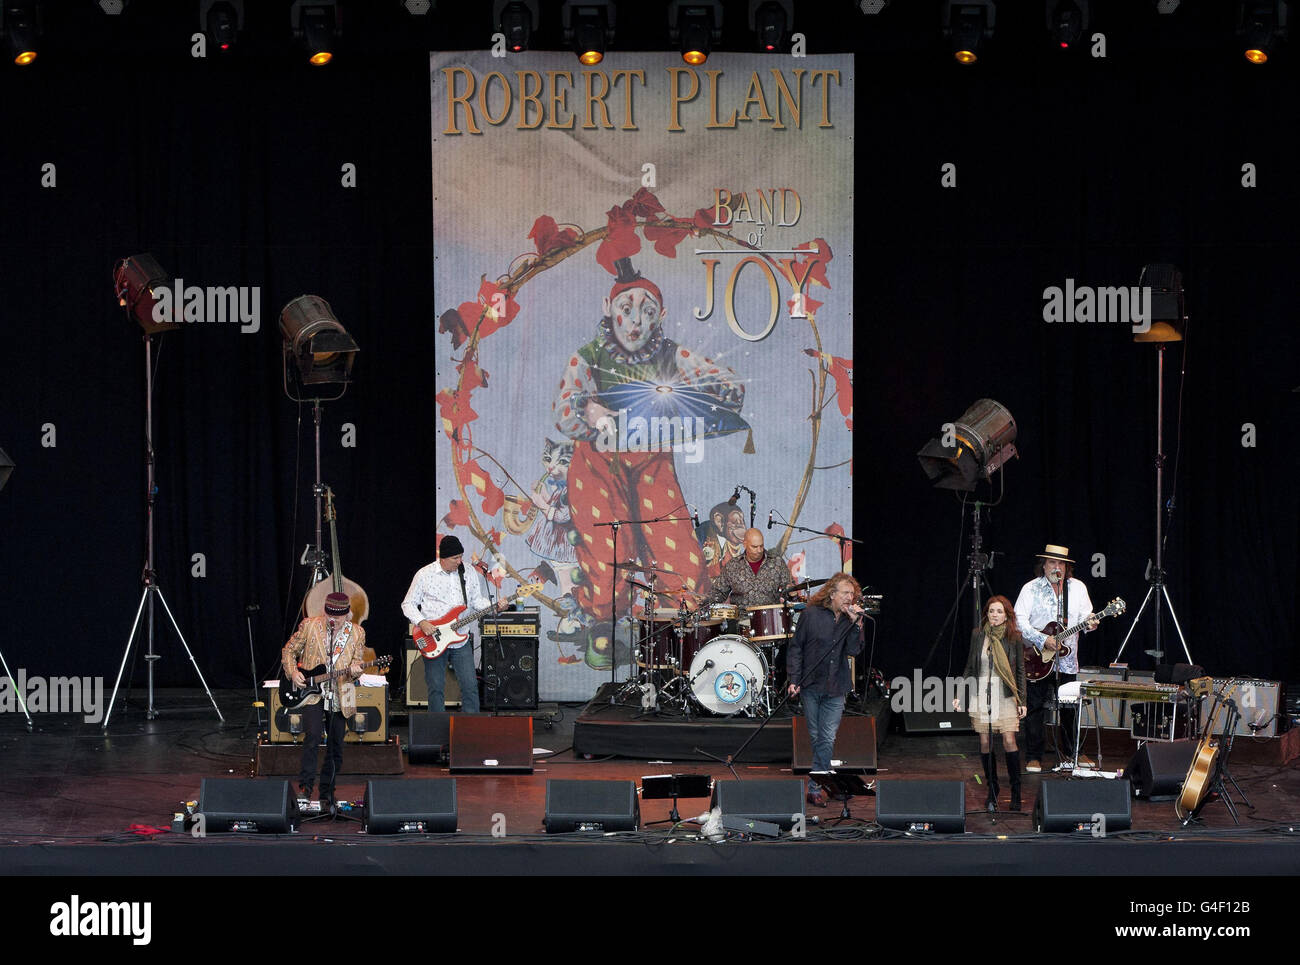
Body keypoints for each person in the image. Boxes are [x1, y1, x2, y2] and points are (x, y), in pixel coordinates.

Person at [551, 257, 745, 654]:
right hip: (597, 468)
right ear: (609, 308)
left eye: (647, 311)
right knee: (607, 572)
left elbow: (731, 388)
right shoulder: (588, 357)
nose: (635, 322)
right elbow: (564, 411)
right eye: (626, 310)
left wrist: (696, 394)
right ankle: (604, 638)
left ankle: (688, 654)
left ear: (661, 316)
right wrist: (589, 410)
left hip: (651, 464)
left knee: (685, 572)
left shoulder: (672, 355)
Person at [1013, 544, 1099, 773]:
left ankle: (1073, 752)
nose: (1056, 566)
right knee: (1035, 708)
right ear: (1043, 564)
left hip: (1067, 660)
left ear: (1067, 566)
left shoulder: (1077, 588)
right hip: (1036, 658)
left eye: (1061, 563)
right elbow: (1019, 621)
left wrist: (1091, 622)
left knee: (1070, 707)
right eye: (1052, 562)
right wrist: (1042, 640)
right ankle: (1033, 756)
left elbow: (1085, 616)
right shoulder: (1030, 588)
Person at [786, 572, 865, 807]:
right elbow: (796, 647)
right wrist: (794, 679)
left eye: (852, 593)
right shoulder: (810, 615)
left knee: (827, 738)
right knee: (816, 737)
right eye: (845, 593)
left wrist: (856, 623)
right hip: (811, 684)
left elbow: (853, 651)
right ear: (832, 594)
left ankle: (814, 788)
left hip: (836, 686)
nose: (850, 597)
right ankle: (829, 784)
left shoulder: (851, 620)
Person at [282, 591, 366, 812]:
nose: (334, 619)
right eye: (330, 614)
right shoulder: (309, 625)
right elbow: (289, 651)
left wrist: (356, 672)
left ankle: (328, 792)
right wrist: (293, 672)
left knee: (336, 744)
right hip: (312, 692)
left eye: (338, 616)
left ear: (348, 614)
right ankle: (305, 788)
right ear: (324, 611)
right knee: (312, 735)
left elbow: (357, 663)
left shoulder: (357, 633)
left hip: (341, 692)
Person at [402, 535, 504, 714]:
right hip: (433, 638)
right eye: (455, 558)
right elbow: (408, 604)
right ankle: (437, 732)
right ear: (442, 558)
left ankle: (469, 731)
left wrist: (494, 607)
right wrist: (422, 622)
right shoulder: (425, 574)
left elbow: (476, 601)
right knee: (435, 688)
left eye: (460, 557)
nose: (459, 561)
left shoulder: (468, 572)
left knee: (470, 686)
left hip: (461, 639)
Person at [953, 595, 1027, 811]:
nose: (995, 615)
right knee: (985, 742)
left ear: (1007, 615)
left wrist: (1022, 700)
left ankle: (1016, 790)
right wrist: (959, 693)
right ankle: (992, 790)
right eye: (992, 611)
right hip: (981, 693)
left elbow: (1020, 671)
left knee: (1008, 739)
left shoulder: (1014, 637)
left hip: (1004, 695)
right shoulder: (978, 634)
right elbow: (969, 667)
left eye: (999, 611)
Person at [703, 527, 792, 608]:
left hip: (771, 620)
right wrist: (706, 601)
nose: (759, 550)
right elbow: (719, 592)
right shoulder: (733, 566)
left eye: (761, 546)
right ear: (744, 544)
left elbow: (788, 590)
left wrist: (792, 593)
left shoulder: (777, 562)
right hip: (741, 621)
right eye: (754, 547)